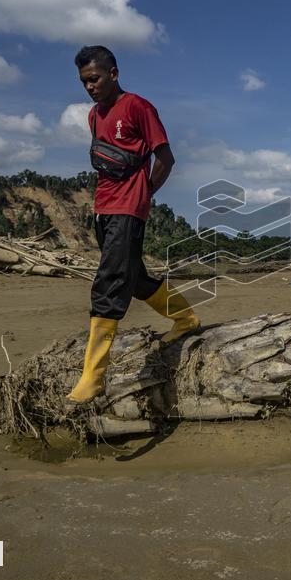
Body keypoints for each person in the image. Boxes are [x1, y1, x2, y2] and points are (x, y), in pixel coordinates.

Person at [67, 45, 200, 403]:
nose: (90, 87)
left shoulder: (139, 107)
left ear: (113, 73)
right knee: (135, 279)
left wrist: (145, 192)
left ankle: (93, 377)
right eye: (84, 81)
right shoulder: (94, 115)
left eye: (94, 79)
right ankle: (187, 320)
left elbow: (166, 158)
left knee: (109, 281)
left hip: (129, 208)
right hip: (103, 208)